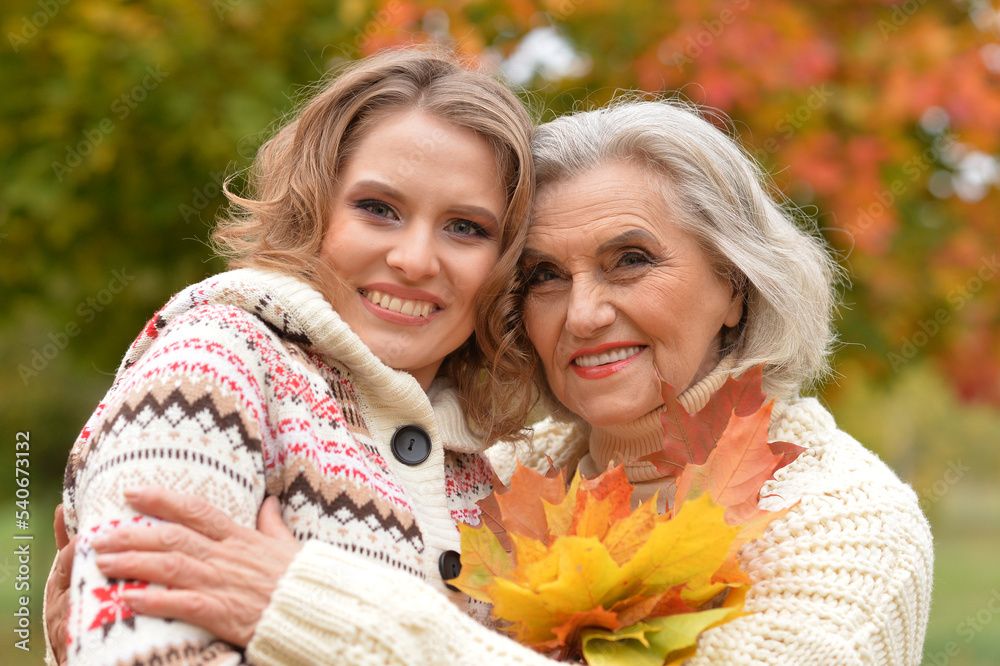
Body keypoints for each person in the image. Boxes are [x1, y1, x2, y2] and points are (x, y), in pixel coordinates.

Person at [48, 98, 934, 665]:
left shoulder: (842, 517)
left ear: (734, 283)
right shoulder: (497, 474)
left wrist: (307, 603)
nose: (584, 314)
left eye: (631, 260)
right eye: (546, 275)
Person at [45, 45, 552, 666]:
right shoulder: (212, 366)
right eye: (378, 210)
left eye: (467, 227)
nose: (416, 260)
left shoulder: (498, 469)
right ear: (312, 208)